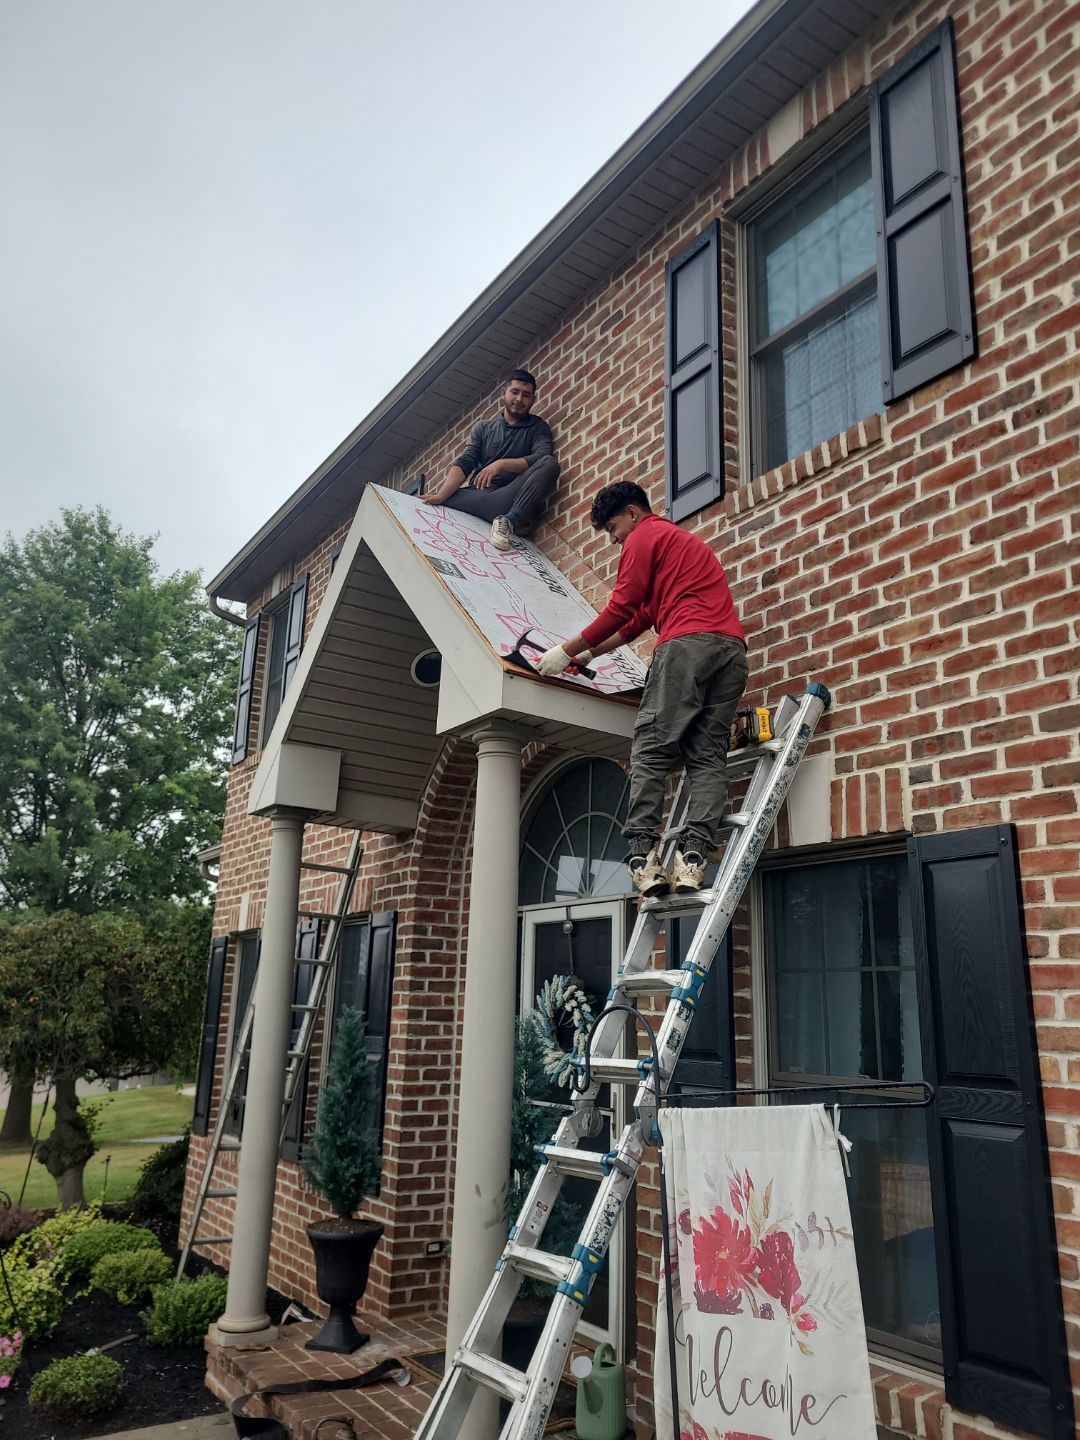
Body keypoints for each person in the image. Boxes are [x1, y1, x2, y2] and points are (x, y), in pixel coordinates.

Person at [537, 481, 747, 897]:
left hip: (686, 648)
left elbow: (620, 606)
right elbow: (638, 619)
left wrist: (565, 649)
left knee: (651, 748)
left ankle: (642, 859)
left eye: (613, 529)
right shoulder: (679, 547)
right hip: (730, 653)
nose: (614, 540)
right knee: (706, 756)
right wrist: (591, 654)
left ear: (633, 512)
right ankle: (692, 860)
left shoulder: (645, 535)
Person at [420, 369, 560, 551]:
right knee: (432, 501)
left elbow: (542, 457)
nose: (519, 399)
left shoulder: (538, 428)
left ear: (533, 399)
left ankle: (508, 522)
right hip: (478, 497)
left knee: (549, 464)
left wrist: (502, 464)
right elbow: (465, 462)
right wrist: (441, 496)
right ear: (504, 393)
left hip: (507, 499)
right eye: (515, 392)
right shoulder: (483, 428)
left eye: (526, 395)